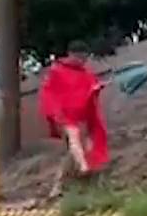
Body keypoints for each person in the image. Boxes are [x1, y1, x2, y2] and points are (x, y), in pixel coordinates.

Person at [39, 41, 112, 196]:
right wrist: (55, 113)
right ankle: (84, 167)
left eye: (85, 58)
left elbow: (91, 89)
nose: (83, 61)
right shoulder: (57, 71)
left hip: (80, 116)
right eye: (80, 58)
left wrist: (97, 88)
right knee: (74, 138)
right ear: (71, 55)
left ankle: (59, 186)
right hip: (64, 116)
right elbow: (49, 93)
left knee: (78, 149)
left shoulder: (86, 73)